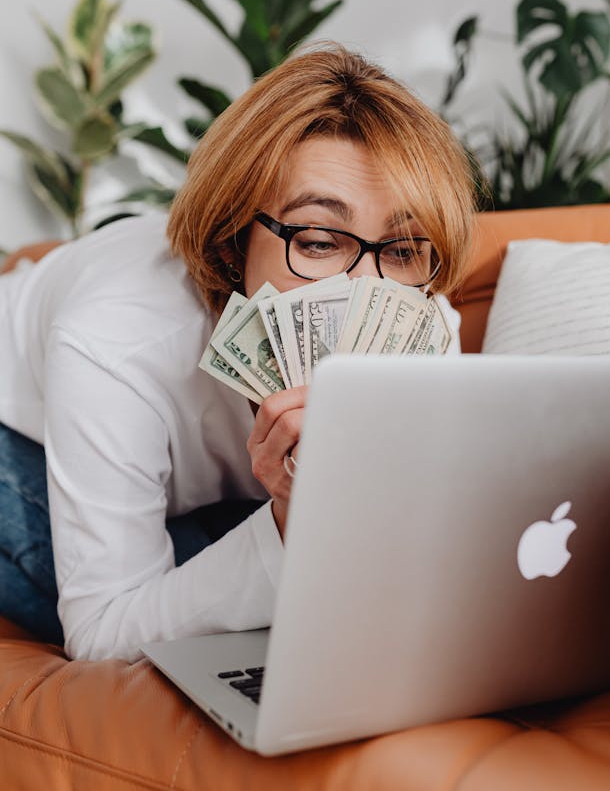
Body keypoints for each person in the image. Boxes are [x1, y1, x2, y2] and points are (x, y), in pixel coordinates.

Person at [0, 44, 478, 662]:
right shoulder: (113, 342)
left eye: (404, 249)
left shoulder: (421, 321)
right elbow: (101, 632)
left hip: (208, 503)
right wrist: (289, 525)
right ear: (231, 243)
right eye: (318, 240)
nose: (365, 293)